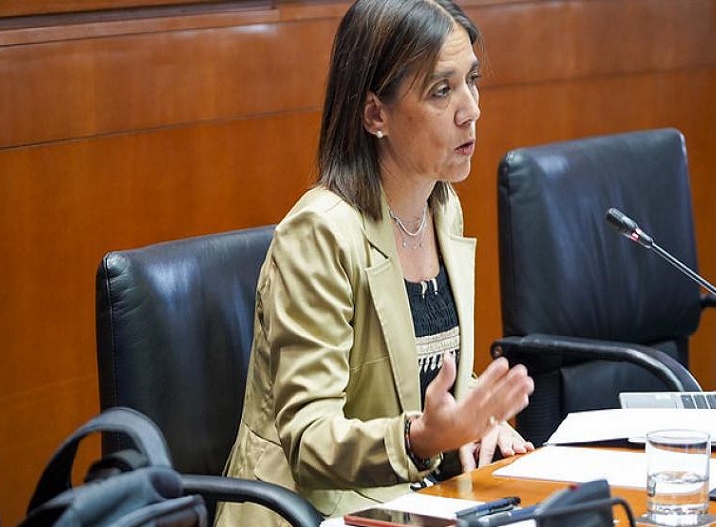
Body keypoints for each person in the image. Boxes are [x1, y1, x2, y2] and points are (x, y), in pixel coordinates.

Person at [216, 0, 535, 524]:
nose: (471, 108)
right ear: (374, 114)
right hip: (311, 511)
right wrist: (422, 437)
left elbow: (415, 369)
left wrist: (476, 414)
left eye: (471, 81)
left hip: (413, 502)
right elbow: (310, 437)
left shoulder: (441, 206)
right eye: (441, 90)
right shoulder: (319, 234)